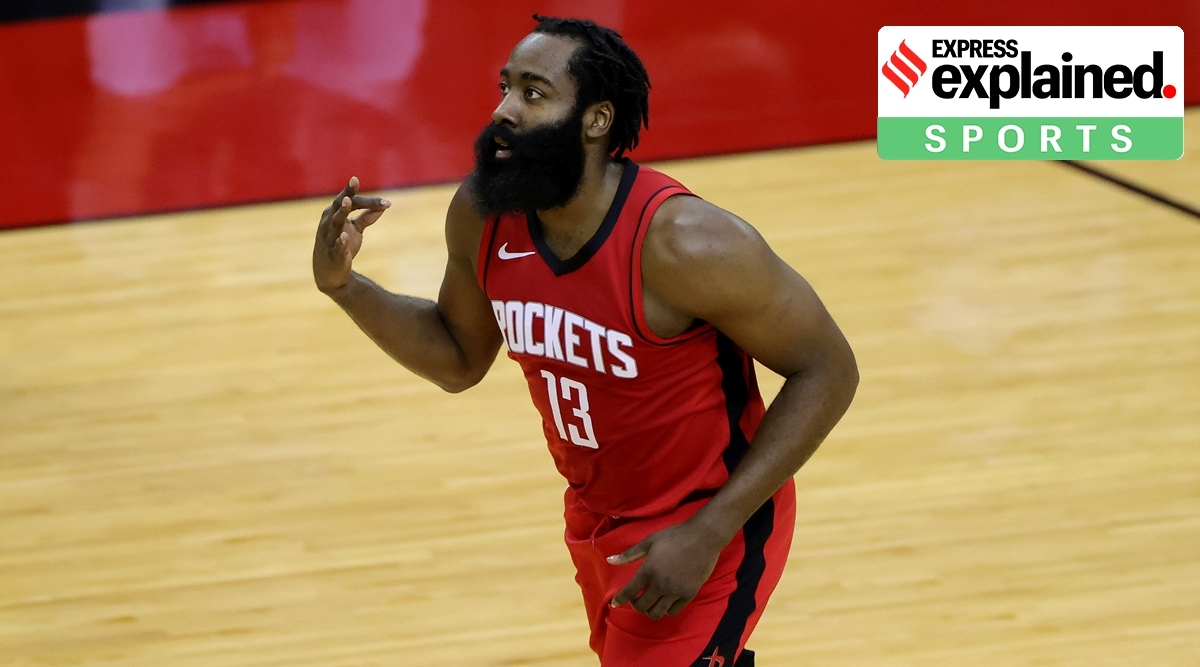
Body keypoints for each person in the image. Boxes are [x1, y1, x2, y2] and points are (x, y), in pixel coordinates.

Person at [311, 15, 858, 667]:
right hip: (598, 523)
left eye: (534, 93)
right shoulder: (486, 216)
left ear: (596, 121)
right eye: (505, 87)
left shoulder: (684, 242)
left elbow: (828, 368)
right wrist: (347, 287)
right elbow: (458, 356)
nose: (504, 111)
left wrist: (711, 529)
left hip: (709, 525)